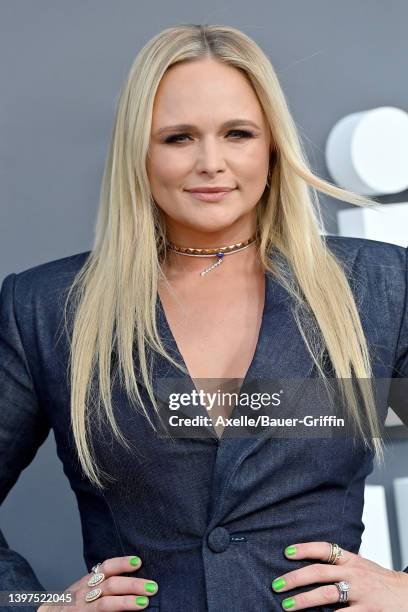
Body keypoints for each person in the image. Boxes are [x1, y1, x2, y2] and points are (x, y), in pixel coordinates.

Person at [1, 22, 407, 612]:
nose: (210, 162)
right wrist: (37, 603)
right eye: (178, 138)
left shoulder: (381, 287)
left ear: (272, 144)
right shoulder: (44, 307)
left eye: (237, 133)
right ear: (139, 151)